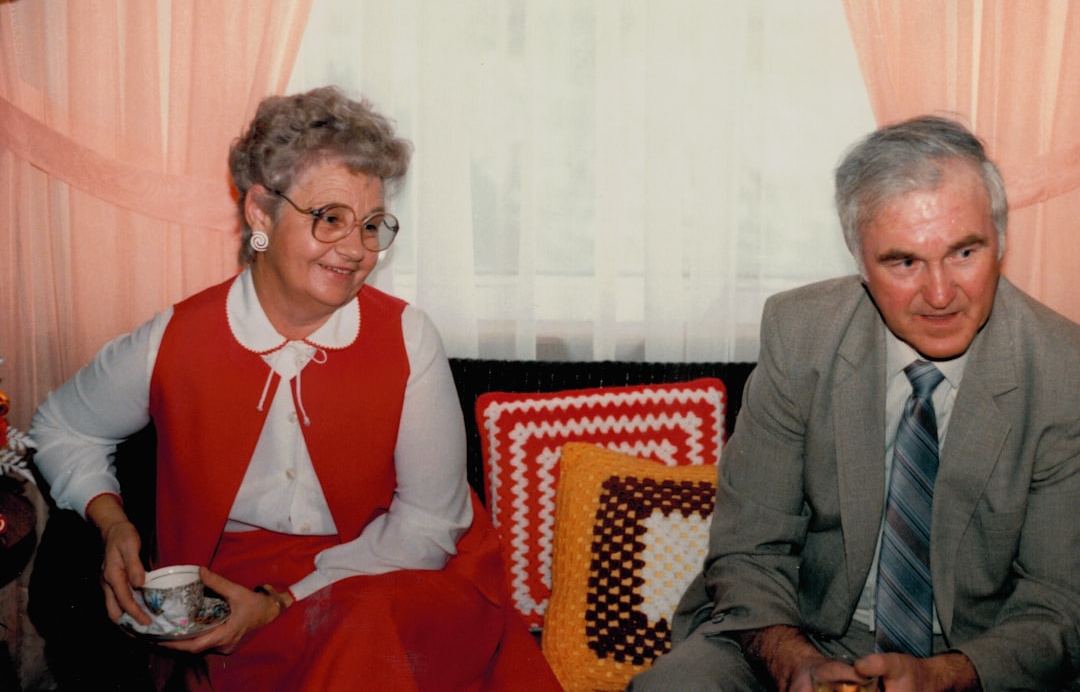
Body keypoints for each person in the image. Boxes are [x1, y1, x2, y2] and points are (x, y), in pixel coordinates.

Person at [30, 86, 561, 691]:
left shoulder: (408, 338)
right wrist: (113, 522)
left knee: (367, 625)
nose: (357, 250)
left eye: (370, 225)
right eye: (330, 218)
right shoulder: (173, 340)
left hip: (405, 578)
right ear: (261, 211)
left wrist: (283, 600)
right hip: (237, 598)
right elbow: (60, 425)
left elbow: (427, 529)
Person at [629, 116, 1080, 692]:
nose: (940, 294)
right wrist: (794, 660)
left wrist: (946, 675)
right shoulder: (800, 333)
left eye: (964, 251)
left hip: (975, 654)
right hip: (797, 631)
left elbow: (1058, 603)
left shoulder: (1064, 371)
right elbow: (748, 548)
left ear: (1001, 243)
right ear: (860, 264)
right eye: (904, 262)